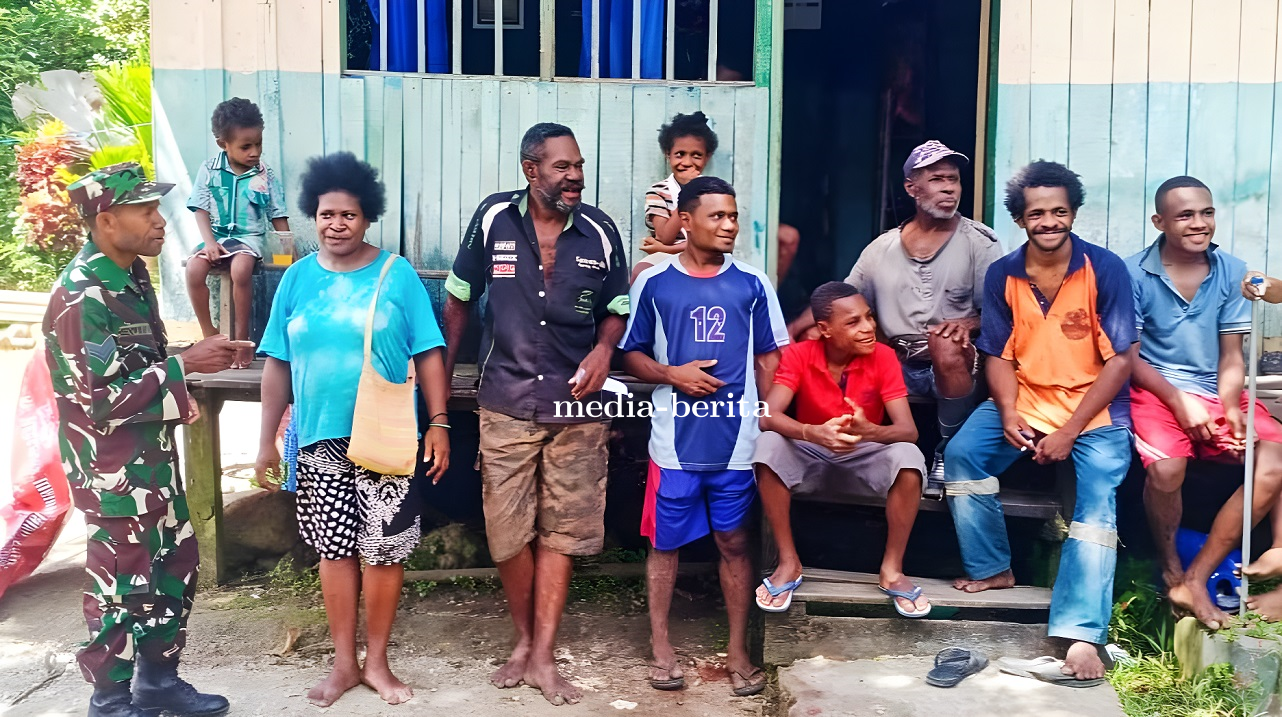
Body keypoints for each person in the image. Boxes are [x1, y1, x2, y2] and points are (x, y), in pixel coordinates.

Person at [43, 163, 242, 717]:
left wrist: (182, 390)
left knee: (174, 568)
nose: (160, 222)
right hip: (112, 477)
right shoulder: (83, 297)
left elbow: (141, 368)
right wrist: (184, 369)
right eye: (146, 211)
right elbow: (99, 401)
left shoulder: (128, 277)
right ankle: (110, 700)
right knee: (122, 587)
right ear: (106, 220)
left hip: (152, 466)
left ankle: (158, 682)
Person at [443, 123, 630, 706]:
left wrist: (604, 350)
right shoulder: (493, 218)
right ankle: (523, 639)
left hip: (577, 407)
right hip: (505, 400)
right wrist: (444, 379)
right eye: (562, 167)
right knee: (507, 534)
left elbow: (616, 307)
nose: (575, 176)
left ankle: (543, 653)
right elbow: (458, 297)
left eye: (578, 166)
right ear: (531, 171)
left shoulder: (600, 230)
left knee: (561, 532)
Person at [255, 152, 451, 708]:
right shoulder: (296, 279)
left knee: (385, 552)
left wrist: (438, 423)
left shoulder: (397, 274)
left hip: (387, 435)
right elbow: (278, 365)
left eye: (348, 215)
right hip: (318, 437)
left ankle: (379, 663)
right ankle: (343, 665)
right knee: (335, 552)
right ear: (312, 217)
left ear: (368, 219)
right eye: (325, 214)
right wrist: (266, 440)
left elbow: (430, 352)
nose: (335, 225)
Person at [944, 160, 1136, 683]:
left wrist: (1069, 431)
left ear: (1072, 213)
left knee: (1096, 508)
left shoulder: (1106, 269)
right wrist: (1007, 412)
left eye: (1059, 211)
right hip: (1027, 401)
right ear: (1020, 218)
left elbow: (1122, 359)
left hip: (1093, 414)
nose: (1049, 221)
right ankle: (994, 569)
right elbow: (999, 355)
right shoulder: (1003, 273)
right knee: (963, 456)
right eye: (1037, 213)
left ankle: (1081, 637)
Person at [619, 176, 786, 697]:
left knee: (734, 542)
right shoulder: (654, 282)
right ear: (685, 222)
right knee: (664, 543)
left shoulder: (754, 283)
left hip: (736, 443)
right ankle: (662, 645)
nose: (730, 225)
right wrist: (675, 375)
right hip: (673, 443)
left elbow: (770, 357)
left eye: (733, 216)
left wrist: (764, 413)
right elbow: (633, 354)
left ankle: (738, 649)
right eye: (717, 216)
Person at [787, 141, 1002, 497]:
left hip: (956, 366)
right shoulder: (882, 248)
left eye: (954, 179)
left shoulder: (979, 242)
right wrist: (792, 334)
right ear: (911, 188)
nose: (949, 187)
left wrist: (967, 323)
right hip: (896, 362)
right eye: (937, 179)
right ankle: (829, 446)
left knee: (945, 342)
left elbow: (1000, 310)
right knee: (818, 334)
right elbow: (843, 299)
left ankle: (946, 451)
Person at [1127, 176, 1282, 630]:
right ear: (1159, 222)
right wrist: (1179, 403)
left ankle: (1202, 576)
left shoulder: (1232, 270)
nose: (1200, 224)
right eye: (1185, 215)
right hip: (1156, 389)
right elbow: (1129, 360)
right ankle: (1173, 570)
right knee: (1167, 468)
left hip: (1216, 389)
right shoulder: (1133, 272)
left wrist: (1231, 406)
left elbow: (1231, 355)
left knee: (1273, 457)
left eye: (1207, 213)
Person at [753, 282, 930, 617]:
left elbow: (909, 430)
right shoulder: (799, 355)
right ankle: (789, 563)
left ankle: (892, 570)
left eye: (869, 317)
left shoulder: (884, 357)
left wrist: (870, 431)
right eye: (853, 322)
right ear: (824, 330)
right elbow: (767, 416)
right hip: (812, 453)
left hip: (865, 454)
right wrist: (812, 432)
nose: (868, 328)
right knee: (767, 446)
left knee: (909, 457)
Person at [185, 97, 291, 368]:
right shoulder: (209, 170)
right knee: (193, 271)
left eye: (258, 144)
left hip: (248, 238)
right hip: (217, 236)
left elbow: (277, 214)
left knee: (241, 269)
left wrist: (288, 249)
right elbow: (201, 209)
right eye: (246, 146)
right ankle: (211, 337)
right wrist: (208, 243)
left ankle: (242, 341)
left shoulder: (265, 174)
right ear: (224, 144)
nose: (254, 152)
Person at [631, 111, 718, 282]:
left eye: (696, 155)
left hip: (704, 259)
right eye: (680, 154)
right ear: (667, 153)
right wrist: (689, 194)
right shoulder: (658, 192)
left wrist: (664, 249)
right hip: (667, 261)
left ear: (707, 157)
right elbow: (665, 236)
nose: (686, 162)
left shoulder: (714, 194)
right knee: (641, 271)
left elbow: (711, 243)